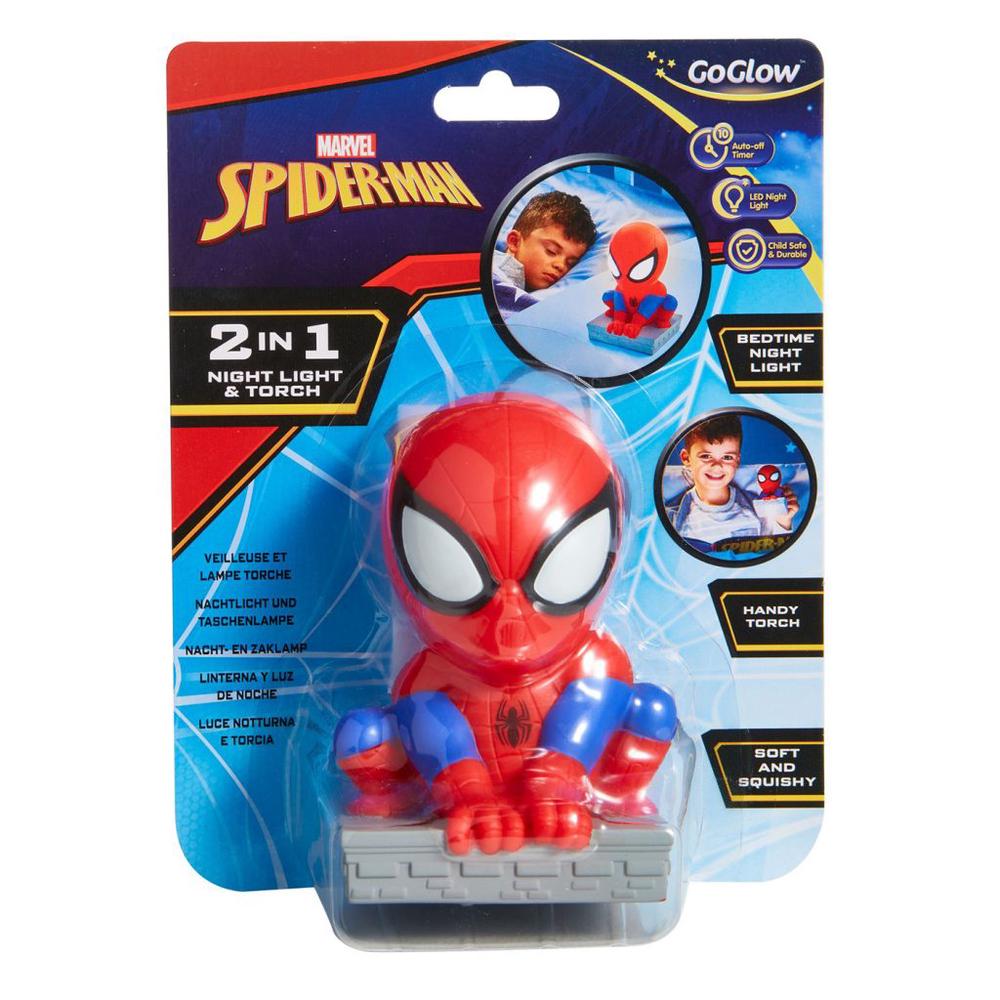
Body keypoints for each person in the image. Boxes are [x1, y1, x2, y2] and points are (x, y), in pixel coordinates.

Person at [665, 414, 799, 546]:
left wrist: (783, 520)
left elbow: (772, 548)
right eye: (706, 456)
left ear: (737, 460)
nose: (717, 466)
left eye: (727, 457)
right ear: (686, 458)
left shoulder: (756, 507)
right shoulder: (674, 517)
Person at [492, 191, 596, 317]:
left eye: (570, 263)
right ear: (514, 242)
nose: (560, 265)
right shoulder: (495, 273)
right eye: (551, 251)